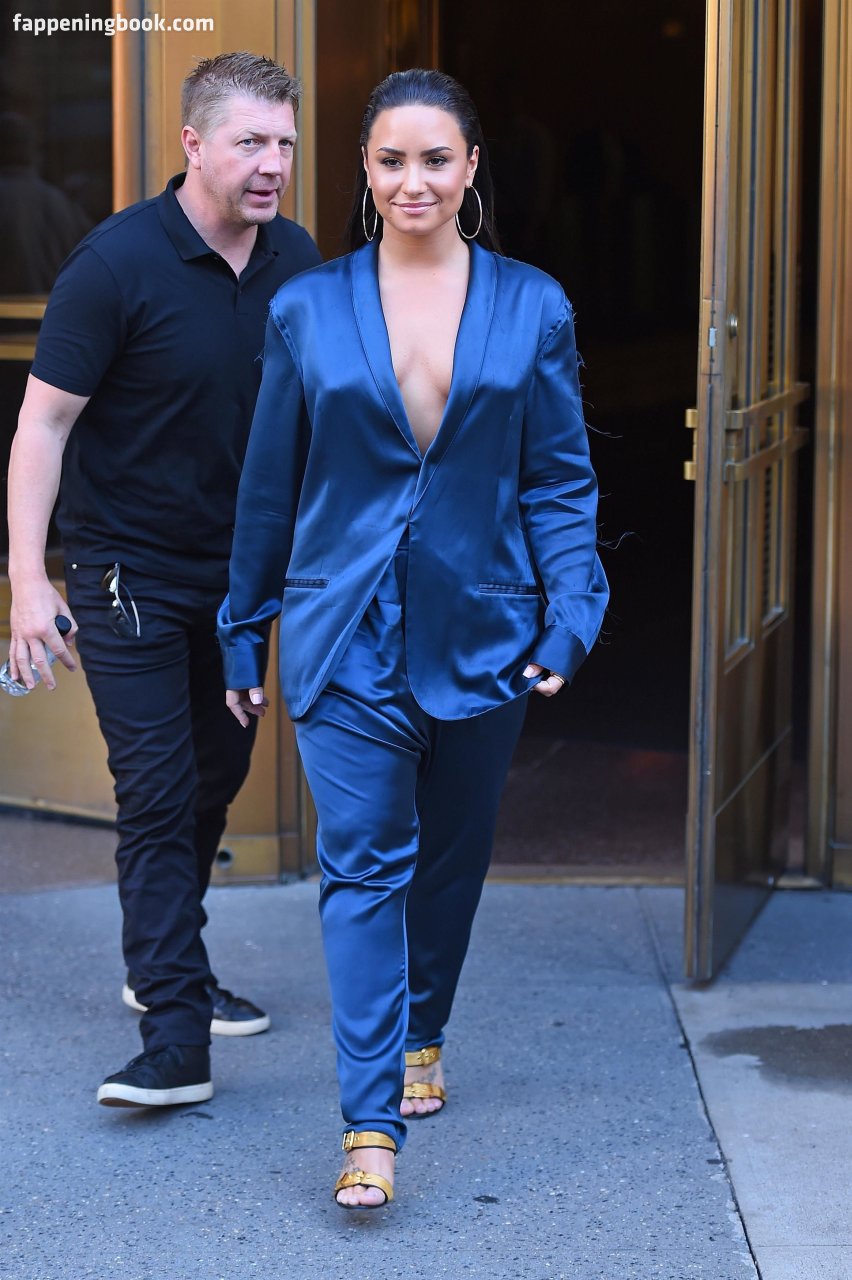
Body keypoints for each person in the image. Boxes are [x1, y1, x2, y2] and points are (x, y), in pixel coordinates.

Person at [218, 68, 608, 1208]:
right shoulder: (309, 308)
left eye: (436, 159)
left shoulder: (533, 304)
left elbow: (558, 478)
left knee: (450, 859)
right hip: (342, 629)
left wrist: (571, 613)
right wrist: (244, 631)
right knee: (361, 867)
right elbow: (270, 487)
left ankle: (423, 1026)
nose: (413, 181)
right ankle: (368, 1125)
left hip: (484, 624)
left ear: (472, 166)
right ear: (365, 169)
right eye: (391, 160)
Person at [5, 52, 321, 1108]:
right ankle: (176, 1034)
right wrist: (28, 579)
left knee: (213, 779)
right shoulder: (114, 264)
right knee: (154, 789)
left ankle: (166, 961)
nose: (273, 164)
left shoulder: (297, 260)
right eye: (250, 142)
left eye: (285, 143)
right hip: (125, 572)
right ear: (193, 144)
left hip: (240, 584)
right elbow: (43, 426)